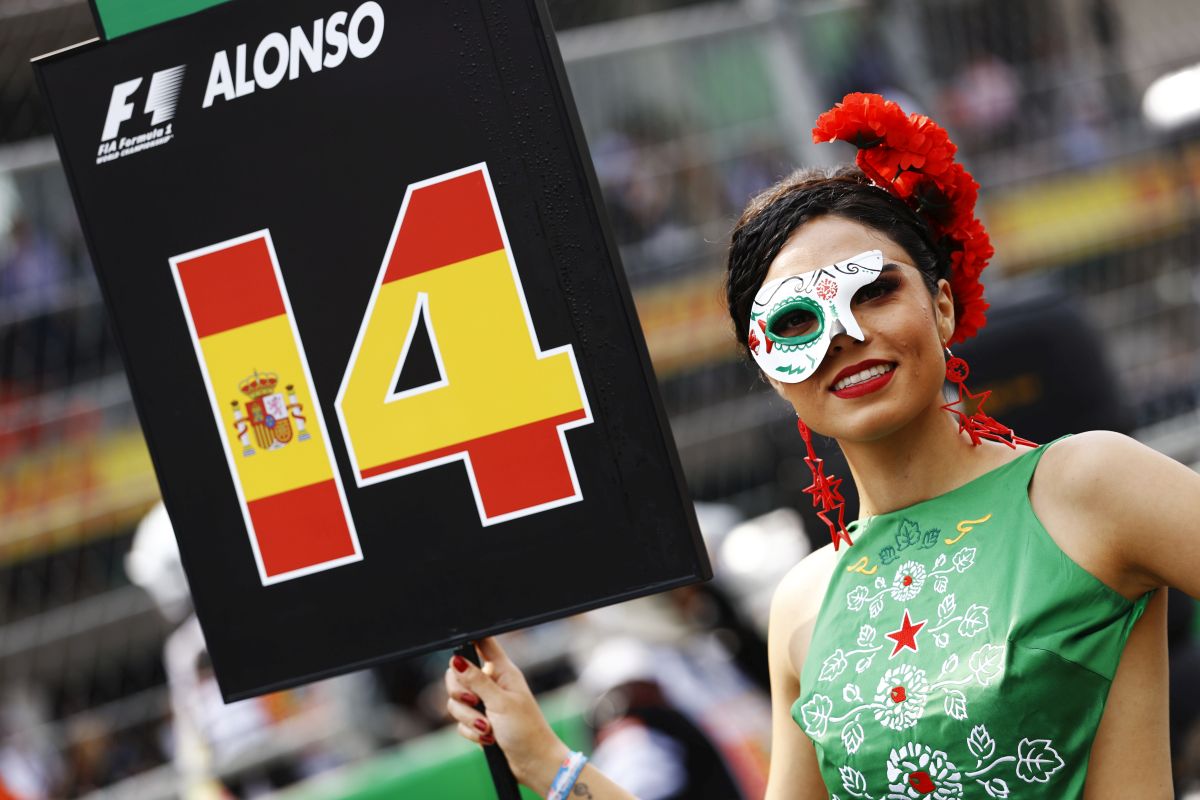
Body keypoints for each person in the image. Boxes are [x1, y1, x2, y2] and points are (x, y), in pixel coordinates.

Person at [443, 93, 1200, 798]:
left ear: (942, 304)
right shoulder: (803, 604)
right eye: (799, 321)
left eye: (874, 291)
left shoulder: (1090, 484)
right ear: (768, 368)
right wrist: (544, 757)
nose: (846, 334)